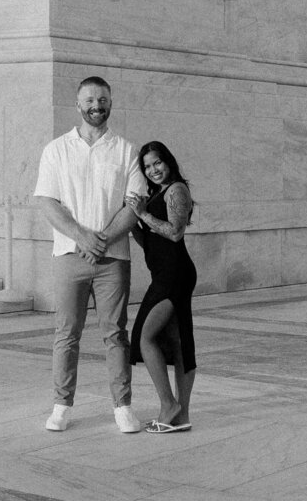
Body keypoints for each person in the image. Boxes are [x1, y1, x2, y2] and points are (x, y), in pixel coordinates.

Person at [33, 76, 147, 434]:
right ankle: (61, 406)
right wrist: (82, 236)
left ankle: (123, 407)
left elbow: (135, 204)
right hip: (69, 255)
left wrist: (104, 238)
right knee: (66, 334)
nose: (96, 106)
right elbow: (47, 202)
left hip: (113, 259)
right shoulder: (56, 150)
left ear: (111, 102)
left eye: (102, 99)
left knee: (116, 334)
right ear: (78, 104)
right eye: (89, 100)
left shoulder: (128, 151)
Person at [128, 140, 197, 432]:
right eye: (147, 166)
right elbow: (151, 242)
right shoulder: (156, 193)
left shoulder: (176, 190)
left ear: (167, 161)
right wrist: (134, 224)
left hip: (175, 275)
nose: (153, 170)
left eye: (157, 162)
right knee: (179, 342)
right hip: (164, 273)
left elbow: (174, 233)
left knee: (144, 337)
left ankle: (169, 405)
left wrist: (143, 215)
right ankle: (181, 416)